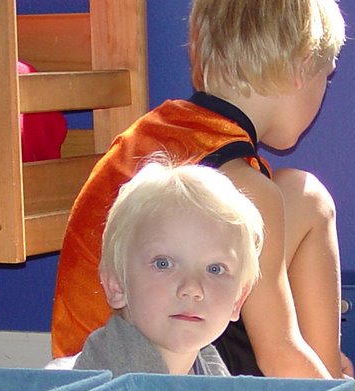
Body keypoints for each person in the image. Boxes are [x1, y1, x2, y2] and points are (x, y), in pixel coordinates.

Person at [52, 0, 350, 382]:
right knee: (311, 200)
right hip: (158, 373)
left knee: (300, 193)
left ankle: (321, 372)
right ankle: (330, 390)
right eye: (327, 74)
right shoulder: (243, 187)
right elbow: (276, 352)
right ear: (303, 66)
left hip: (86, 356)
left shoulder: (157, 130)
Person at [72, 159, 261, 376]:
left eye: (215, 269)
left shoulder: (211, 371)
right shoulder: (106, 386)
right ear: (117, 285)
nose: (192, 288)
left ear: (238, 299)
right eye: (163, 264)